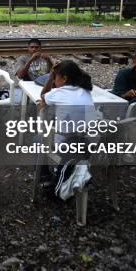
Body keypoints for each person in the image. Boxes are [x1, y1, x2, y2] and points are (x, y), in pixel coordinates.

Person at [36, 60, 96, 195]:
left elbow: (42, 97)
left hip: (66, 146)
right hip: (88, 145)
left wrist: (50, 77)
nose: (54, 80)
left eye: (56, 77)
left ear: (64, 78)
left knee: (37, 139)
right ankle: (62, 172)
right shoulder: (86, 91)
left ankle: (44, 176)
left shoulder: (58, 93)